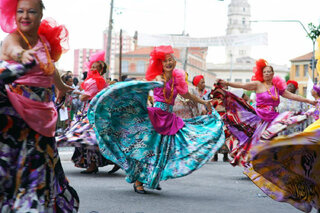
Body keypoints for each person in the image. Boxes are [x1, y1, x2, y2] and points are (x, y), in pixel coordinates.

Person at [87, 45, 225, 194]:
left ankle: (152, 177)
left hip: (169, 119)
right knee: (147, 150)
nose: (168, 63)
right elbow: (150, 83)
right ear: (160, 64)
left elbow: (187, 96)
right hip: (154, 118)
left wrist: (204, 102)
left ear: (174, 62)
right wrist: (156, 83)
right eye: (165, 61)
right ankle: (139, 181)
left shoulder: (177, 79)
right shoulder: (159, 77)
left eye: (170, 60)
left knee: (163, 151)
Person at [0, 0, 79, 211]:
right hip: (18, 115)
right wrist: (21, 55)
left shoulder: (43, 41)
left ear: (40, 15)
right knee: (14, 172)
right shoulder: (14, 38)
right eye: (21, 11)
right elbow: (12, 49)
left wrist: (61, 86)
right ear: (13, 15)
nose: (25, 16)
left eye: (31, 11)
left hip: (43, 116)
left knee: (39, 170)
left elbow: (50, 68)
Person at [216, 59, 315, 167]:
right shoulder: (257, 84)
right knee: (258, 141)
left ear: (273, 74)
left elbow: (292, 96)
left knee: (272, 141)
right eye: (265, 72)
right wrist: (227, 83)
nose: (267, 73)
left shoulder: (277, 87)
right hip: (260, 118)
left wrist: (309, 101)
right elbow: (243, 85)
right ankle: (256, 163)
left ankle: (270, 164)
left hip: (273, 118)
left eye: (269, 71)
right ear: (261, 74)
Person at [56, 51, 120, 174]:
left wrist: (79, 94)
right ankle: (98, 162)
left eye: (95, 67)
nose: (92, 69)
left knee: (88, 138)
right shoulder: (96, 80)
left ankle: (94, 164)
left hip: (91, 113)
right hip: (90, 112)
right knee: (91, 138)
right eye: (92, 66)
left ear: (101, 70)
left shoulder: (97, 81)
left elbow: (85, 97)